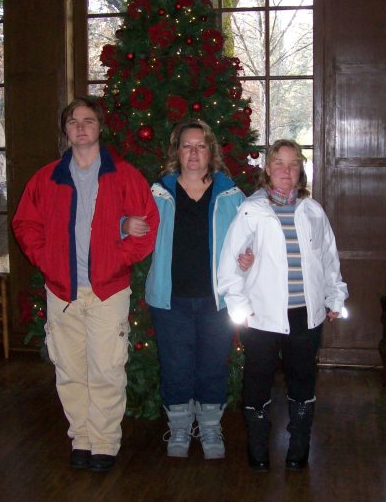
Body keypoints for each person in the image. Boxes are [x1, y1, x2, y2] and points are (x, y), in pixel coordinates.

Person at [12, 97, 159, 472]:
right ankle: (82, 438)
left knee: (107, 369)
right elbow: (25, 224)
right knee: (70, 369)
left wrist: (115, 259)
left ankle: (105, 442)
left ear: (99, 128)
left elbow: (147, 226)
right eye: (73, 121)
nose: (80, 127)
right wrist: (48, 260)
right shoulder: (46, 178)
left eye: (88, 120)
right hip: (62, 291)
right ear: (66, 130)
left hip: (107, 291)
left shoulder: (124, 176)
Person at [218, 138, 348, 472]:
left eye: (293, 164)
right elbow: (230, 265)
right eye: (279, 163)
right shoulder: (251, 211)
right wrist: (239, 308)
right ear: (268, 170)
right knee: (257, 382)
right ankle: (258, 445)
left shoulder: (312, 211)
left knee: (302, 381)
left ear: (300, 170)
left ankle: (299, 444)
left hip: (305, 315)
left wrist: (334, 296)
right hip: (261, 316)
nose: (286, 171)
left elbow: (328, 259)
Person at [145, 119, 253, 460]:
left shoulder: (232, 196)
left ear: (211, 152)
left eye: (200, 146)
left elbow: (254, 238)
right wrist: (125, 224)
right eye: (187, 145)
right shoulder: (158, 193)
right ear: (177, 151)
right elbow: (126, 223)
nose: (193, 153)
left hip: (216, 301)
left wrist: (249, 258)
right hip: (169, 299)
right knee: (175, 366)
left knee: (212, 366)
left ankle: (209, 427)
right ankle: (178, 429)